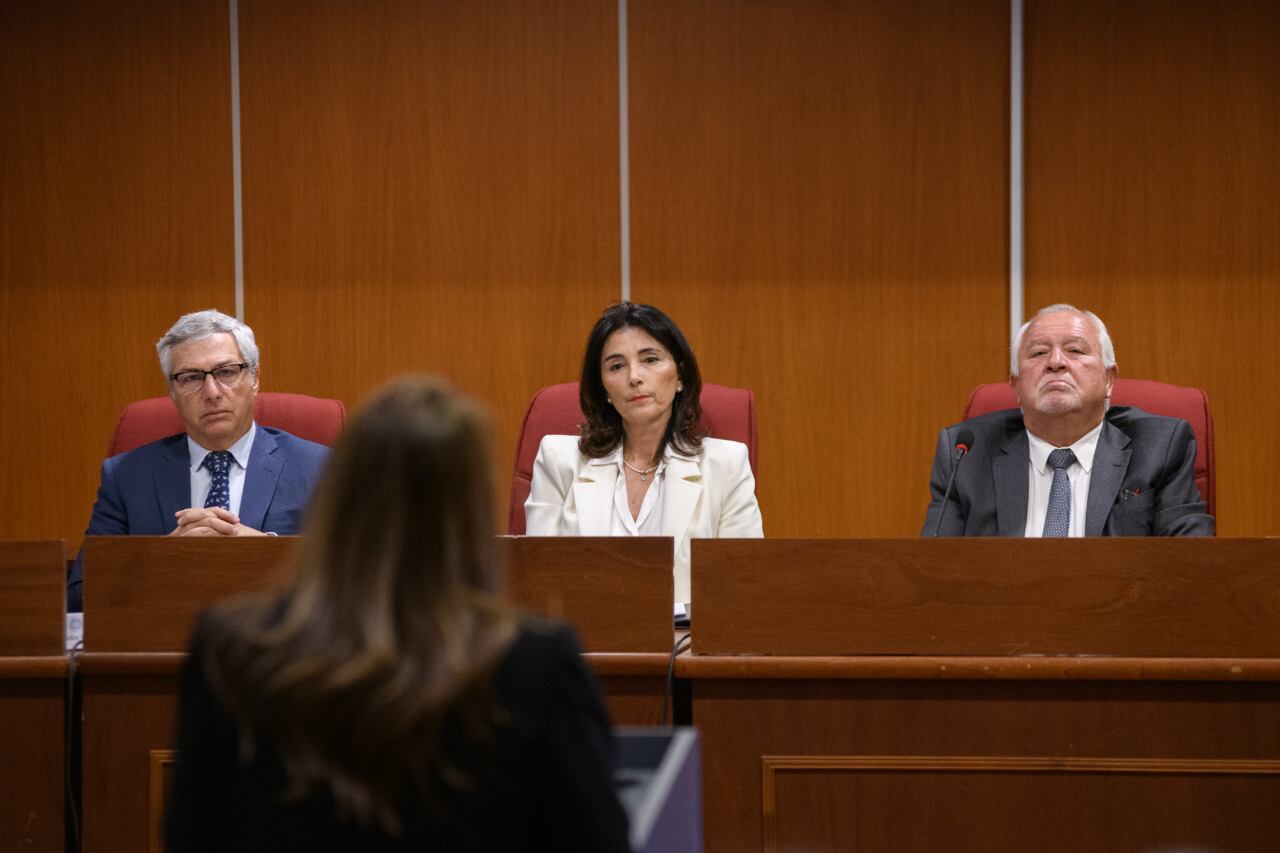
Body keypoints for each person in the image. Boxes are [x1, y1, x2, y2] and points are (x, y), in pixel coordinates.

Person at [165, 376, 630, 852]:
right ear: (470, 507)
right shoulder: (536, 664)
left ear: (337, 493)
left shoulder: (229, 649)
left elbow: (191, 835)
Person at [67, 310, 330, 611]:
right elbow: (79, 597)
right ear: (172, 391)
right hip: (163, 648)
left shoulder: (320, 468)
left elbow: (353, 586)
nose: (212, 392)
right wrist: (163, 559)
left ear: (254, 378)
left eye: (227, 372)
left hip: (276, 649)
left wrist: (262, 550)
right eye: (191, 377)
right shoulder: (126, 476)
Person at [525, 302, 763, 604]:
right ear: (604, 390)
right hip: (585, 644)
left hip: (686, 645)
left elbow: (742, 590)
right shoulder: (558, 460)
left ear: (679, 376)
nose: (634, 376)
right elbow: (538, 582)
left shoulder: (726, 465)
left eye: (650, 359)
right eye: (616, 366)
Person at [922, 303, 1213, 537]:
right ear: (1016, 387)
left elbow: (1188, 567)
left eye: (1075, 350)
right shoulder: (966, 454)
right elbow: (936, 570)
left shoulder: (1160, 446)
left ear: (1109, 380)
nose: (1055, 362)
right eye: (1038, 353)